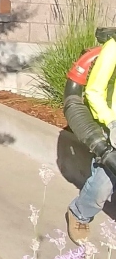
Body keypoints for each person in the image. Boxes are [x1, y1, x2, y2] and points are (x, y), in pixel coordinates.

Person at [68, 35, 116, 242]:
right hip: (114, 125)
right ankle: (79, 213)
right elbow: (94, 91)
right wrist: (111, 122)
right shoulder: (114, 46)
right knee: (103, 183)